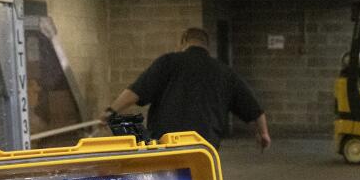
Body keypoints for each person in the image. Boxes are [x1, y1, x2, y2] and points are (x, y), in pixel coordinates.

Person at [102, 27, 270, 150]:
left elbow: (135, 92)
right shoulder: (224, 72)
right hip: (204, 145)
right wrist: (263, 134)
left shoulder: (168, 62)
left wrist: (111, 111)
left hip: (166, 142)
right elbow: (255, 109)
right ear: (207, 46)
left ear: (183, 41)